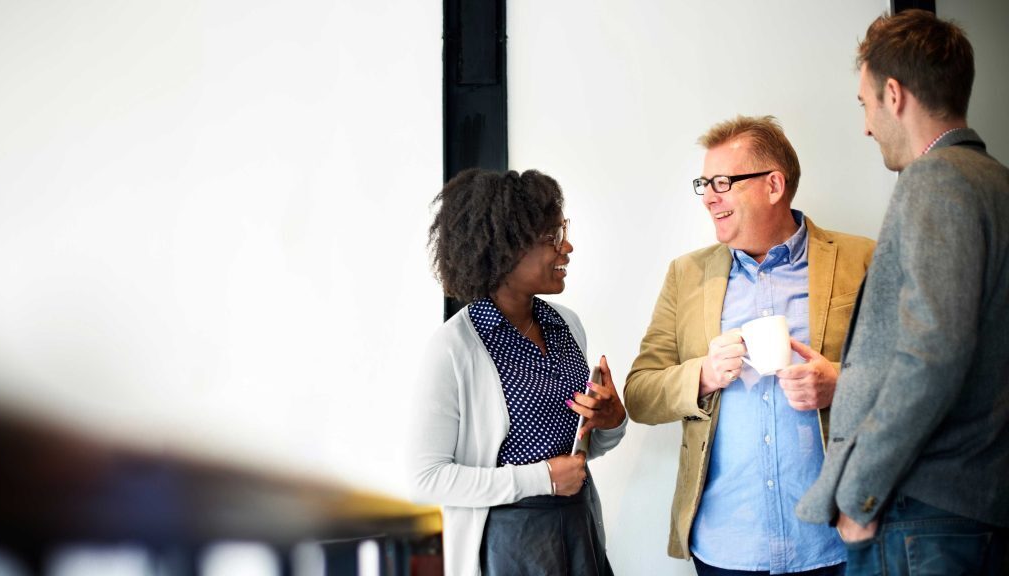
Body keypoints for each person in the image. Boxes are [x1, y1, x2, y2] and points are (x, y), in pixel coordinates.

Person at [796, 10, 1009, 575]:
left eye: (864, 104)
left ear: (894, 94)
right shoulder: (998, 184)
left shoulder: (935, 180)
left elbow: (930, 356)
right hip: (976, 508)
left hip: (922, 517)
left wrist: (862, 494)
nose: (866, 125)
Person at [625, 115, 875, 575]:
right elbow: (640, 394)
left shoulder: (862, 258)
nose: (708, 197)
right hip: (726, 545)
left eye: (722, 181)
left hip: (836, 539)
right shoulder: (687, 275)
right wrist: (701, 374)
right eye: (704, 183)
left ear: (774, 185)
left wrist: (841, 382)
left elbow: (913, 374)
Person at [409, 168, 627, 576]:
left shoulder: (566, 326)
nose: (567, 247)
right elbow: (427, 478)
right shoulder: (455, 347)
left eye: (562, 231)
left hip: (580, 528)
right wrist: (541, 479)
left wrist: (612, 421)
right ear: (504, 248)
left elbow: (580, 451)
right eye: (551, 237)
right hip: (511, 542)